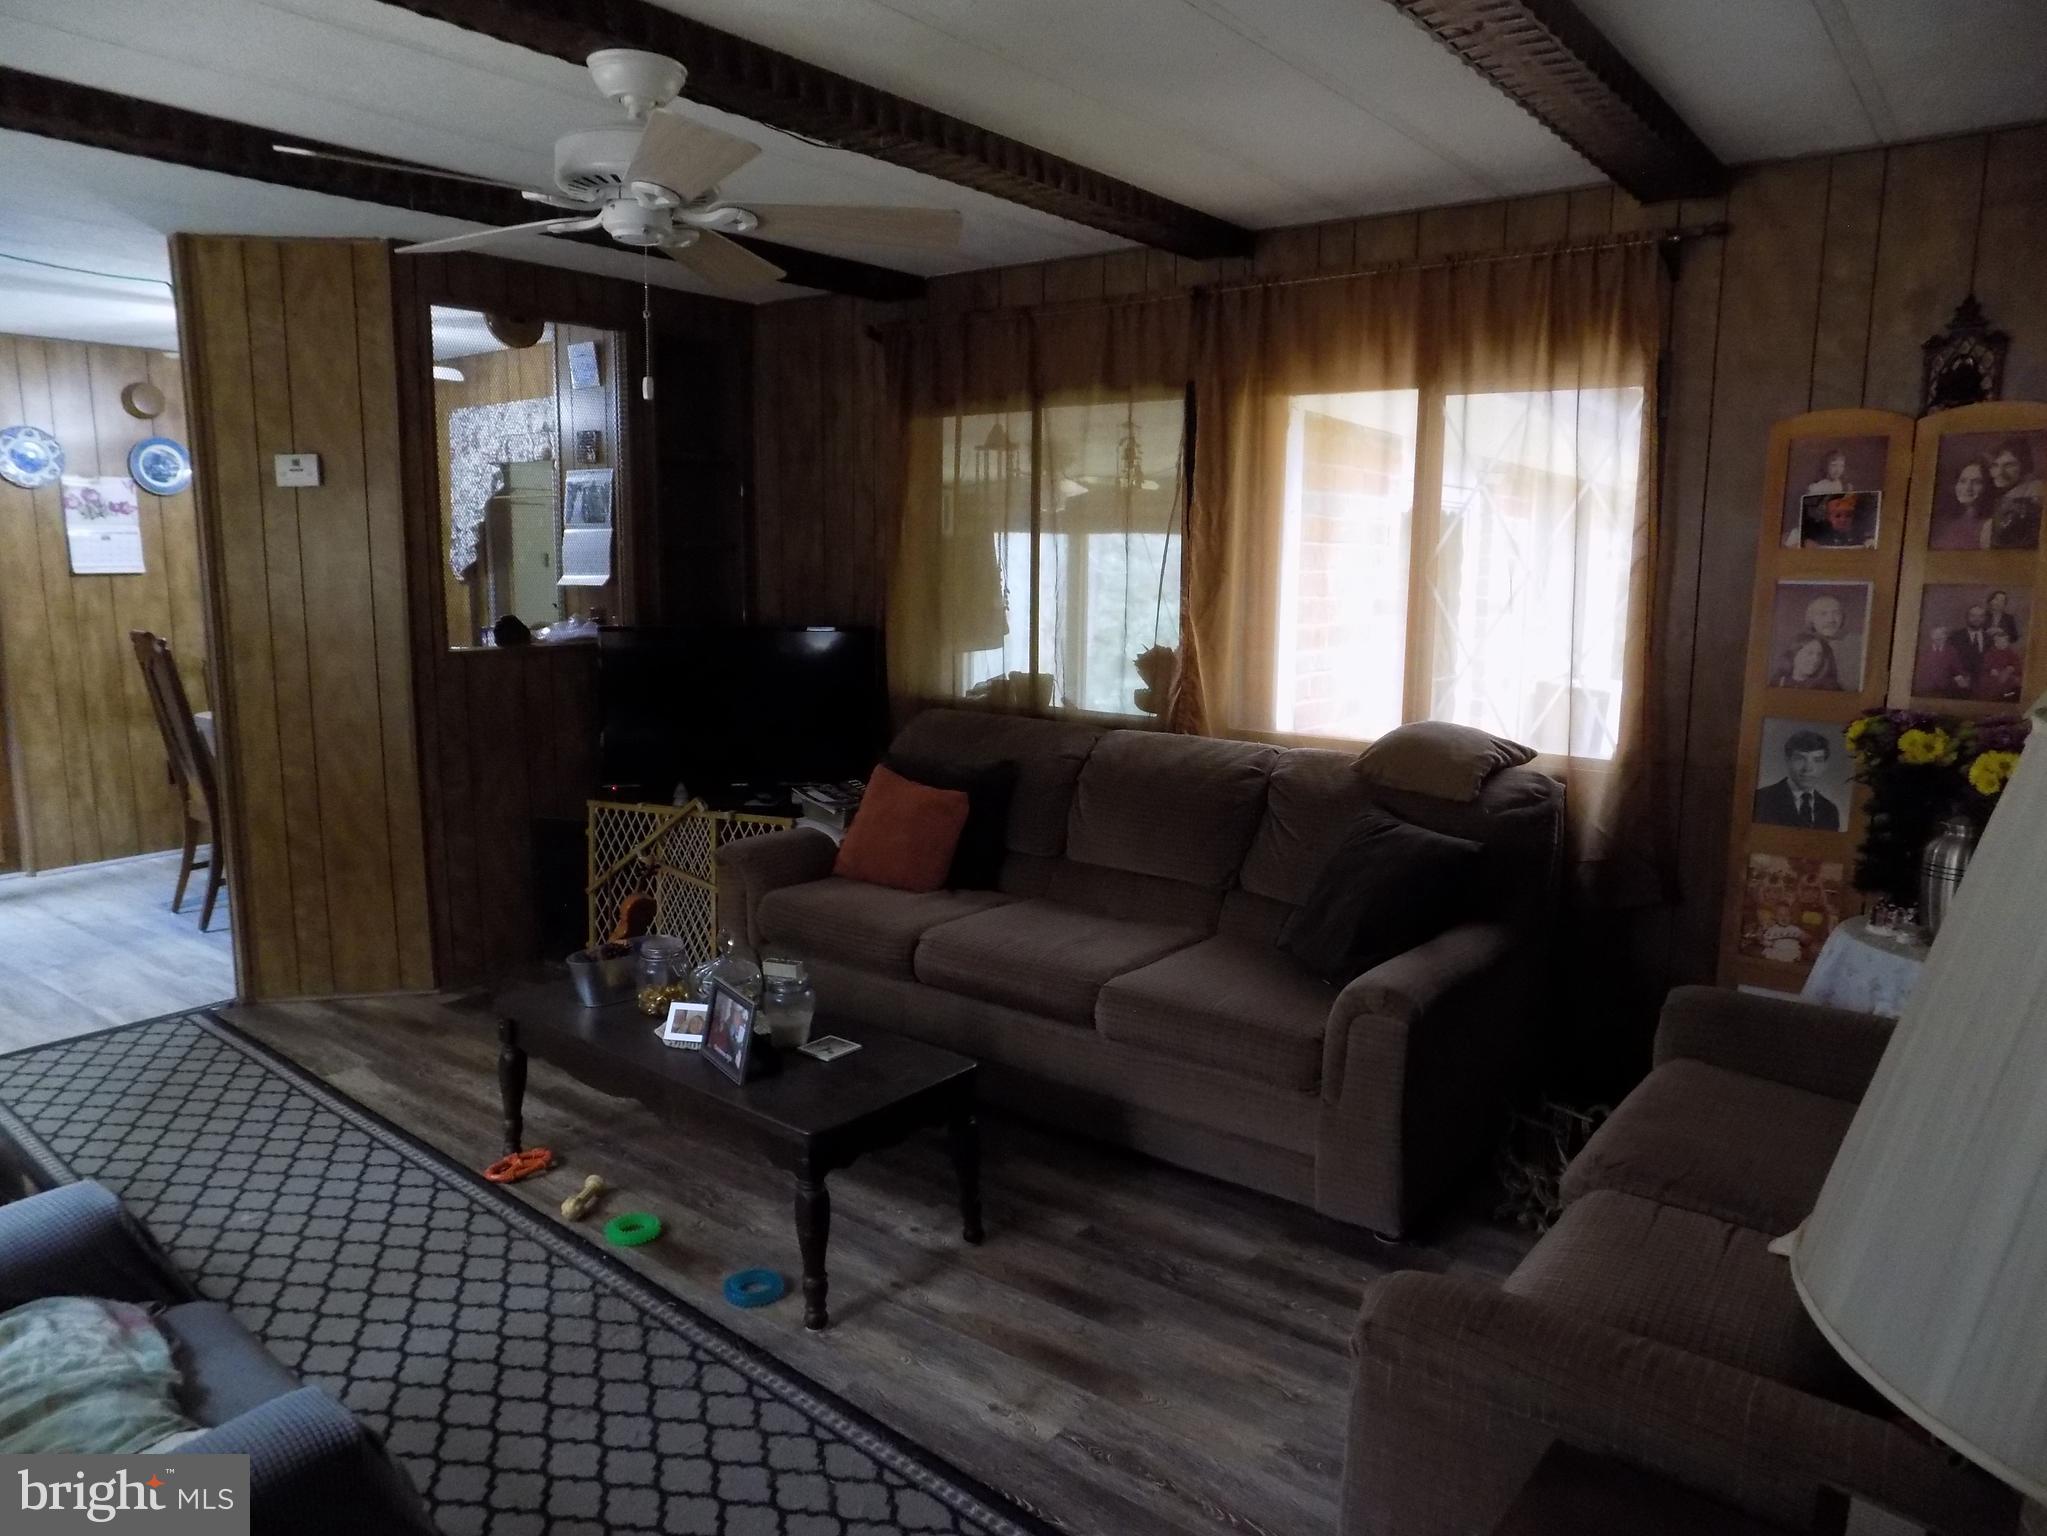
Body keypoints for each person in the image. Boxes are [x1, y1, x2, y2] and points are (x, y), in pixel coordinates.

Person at [1754, 729, 1842, 829]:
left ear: (1825, 765)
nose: (1808, 769)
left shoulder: (1830, 810)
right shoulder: (1761, 799)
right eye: (1800, 758)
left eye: (1817, 760)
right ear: (1787, 760)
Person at [1770, 594, 1848, 690]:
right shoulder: (1798, 643)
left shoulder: (1856, 644)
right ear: (1811, 619)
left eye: (1836, 613)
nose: (1831, 619)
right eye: (1823, 613)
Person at [1982, 438, 2044, 550]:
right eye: (1994, 465)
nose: (1999, 472)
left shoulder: (2035, 490)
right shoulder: (2003, 494)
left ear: (2024, 466)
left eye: (2009, 465)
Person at [1930, 457, 1991, 550]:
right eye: (1962, 481)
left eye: (1976, 482)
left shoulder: (1987, 526)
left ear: (1987, 487)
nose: (1968, 488)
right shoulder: (1942, 520)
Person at [1914, 625, 1972, 697]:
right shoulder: (1924, 650)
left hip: (1945, 688)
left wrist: (1962, 679)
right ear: (1931, 636)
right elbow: (1919, 670)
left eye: (1942, 634)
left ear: (1946, 636)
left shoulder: (1952, 651)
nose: (1939, 636)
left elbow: (1958, 669)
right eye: (1935, 634)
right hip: (1926, 688)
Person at [1801, 492, 1873, 548]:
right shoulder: (1821, 530)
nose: (1843, 520)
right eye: (1837, 516)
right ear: (1828, 517)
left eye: (1848, 516)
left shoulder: (1857, 532)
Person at [1973, 631, 2024, 703]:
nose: (2002, 644)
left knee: (2014, 688)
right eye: (1999, 642)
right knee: (1989, 686)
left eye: (2004, 642)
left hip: (2008, 678)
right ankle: (1994, 699)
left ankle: (2006, 697)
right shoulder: (1990, 653)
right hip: (1992, 678)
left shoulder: (2011, 653)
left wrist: (2012, 668)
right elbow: (1984, 666)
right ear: (1995, 643)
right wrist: (1991, 669)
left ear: (2008, 643)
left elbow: (2017, 666)